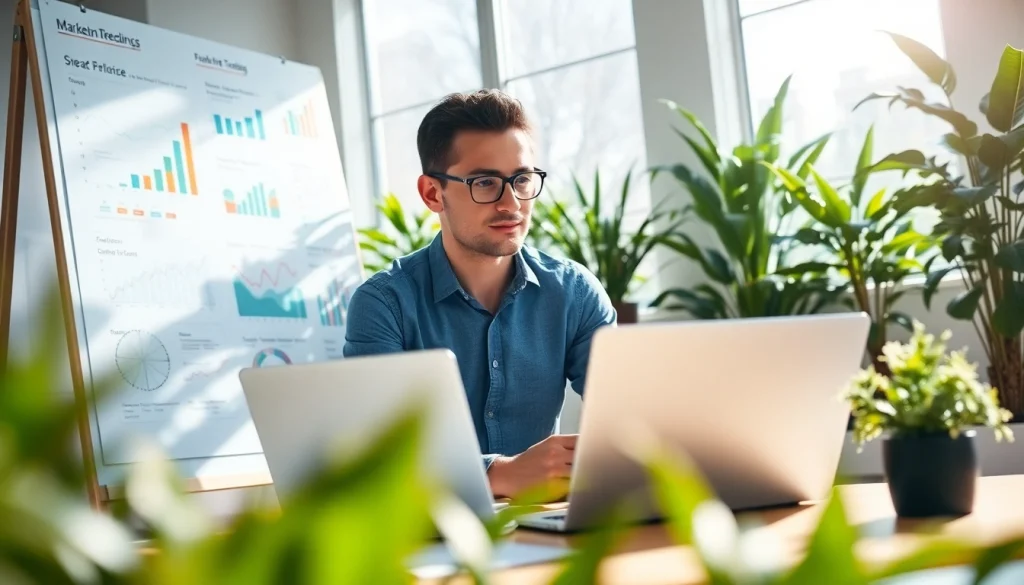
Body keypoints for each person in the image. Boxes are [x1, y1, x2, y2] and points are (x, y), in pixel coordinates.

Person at [343, 89, 616, 500]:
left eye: (522, 179)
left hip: (542, 524)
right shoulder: (384, 305)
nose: (512, 203)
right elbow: (379, 462)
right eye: (485, 182)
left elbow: (632, 416)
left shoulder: (574, 293)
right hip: (428, 534)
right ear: (433, 194)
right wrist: (498, 475)